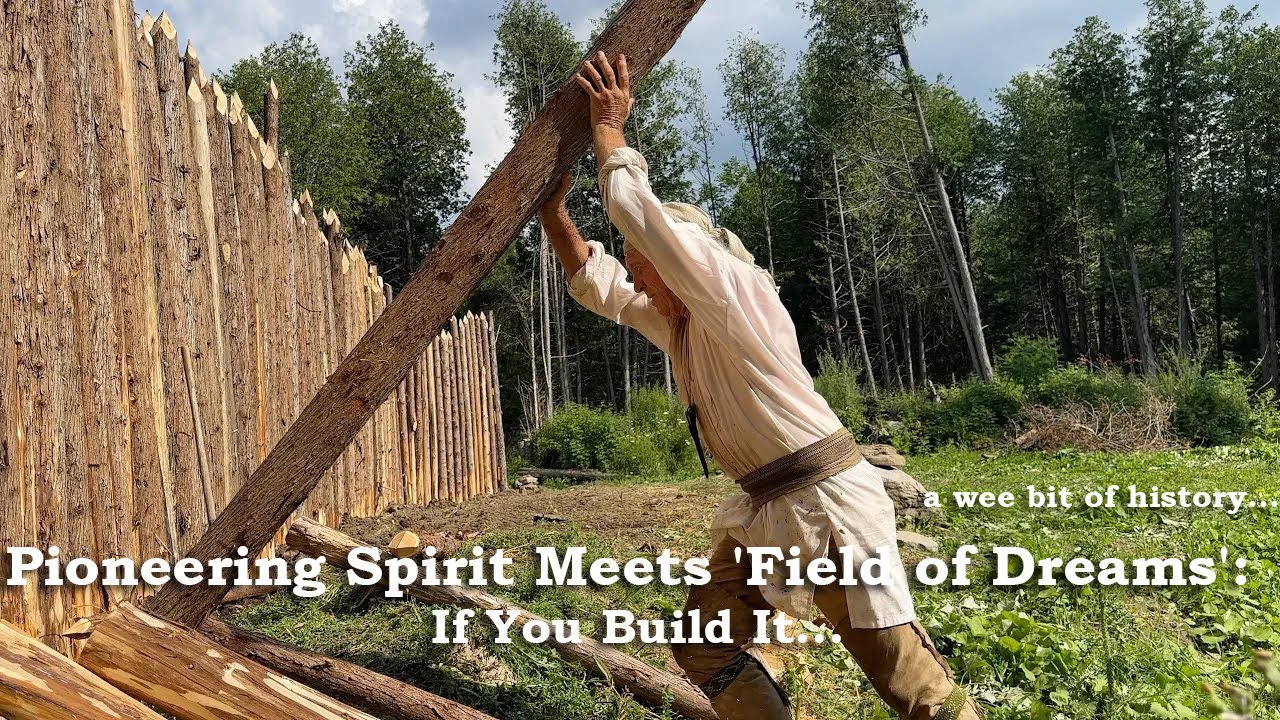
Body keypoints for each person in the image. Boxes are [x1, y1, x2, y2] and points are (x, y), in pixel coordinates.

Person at [536, 50, 983, 720]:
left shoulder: (731, 291)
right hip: (769, 511)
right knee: (700, 643)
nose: (638, 273)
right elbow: (603, 290)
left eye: (645, 262)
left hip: (827, 510)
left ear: (684, 260)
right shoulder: (682, 324)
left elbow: (640, 216)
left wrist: (609, 130)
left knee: (909, 686)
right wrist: (550, 211)